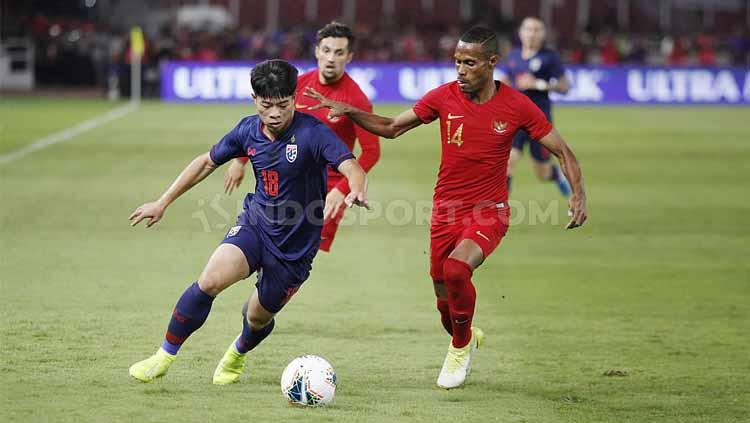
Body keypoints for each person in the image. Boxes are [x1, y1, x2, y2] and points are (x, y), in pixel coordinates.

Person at [305, 27, 587, 389]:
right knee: (444, 303)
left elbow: (562, 150)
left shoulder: (516, 105)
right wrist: (349, 110)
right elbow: (391, 128)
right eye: (457, 62)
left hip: (490, 210)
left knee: (456, 270)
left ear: (492, 63)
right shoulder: (443, 97)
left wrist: (577, 193)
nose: (461, 70)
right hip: (445, 213)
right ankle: (465, 337)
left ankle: (458, 348)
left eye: (470, 63)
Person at [127, 59, 369, 385]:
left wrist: (353, 189)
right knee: (210, 280)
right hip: (256, 225)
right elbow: (206, 162)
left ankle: (237, 353)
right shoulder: (246, 130)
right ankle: (163, 357)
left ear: (294, 99)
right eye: (267, 105)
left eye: (283, 105)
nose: (274, 113)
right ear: (255, 99)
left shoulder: (313, 133)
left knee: (256, 316)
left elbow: (353, 167)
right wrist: (163, 201)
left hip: (295, 248)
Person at [224, 22, 380, 252]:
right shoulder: (298, 86)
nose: (330, 58)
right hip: (286, 180)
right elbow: (268, 119)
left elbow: (371, 152)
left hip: (326, 194)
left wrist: (342, 189)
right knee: (272, 253)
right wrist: (240, 160)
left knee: (296, 260)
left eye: (339, 53)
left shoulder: (355, 100)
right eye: (326, 50)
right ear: (317, 51)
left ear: (349, 57)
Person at [499, 17, 571, 196]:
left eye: (536, 30)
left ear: (543, 34)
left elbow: (565, 87)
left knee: (543, 172)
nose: (532, 34)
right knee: (508, 163)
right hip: (514, 118)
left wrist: (540, 84)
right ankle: (499, 210)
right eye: (528, 29)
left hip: (539, 121)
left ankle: (556, 176)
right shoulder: (513, 56)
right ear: (521, 32)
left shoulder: (550, 57)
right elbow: (506, 80)